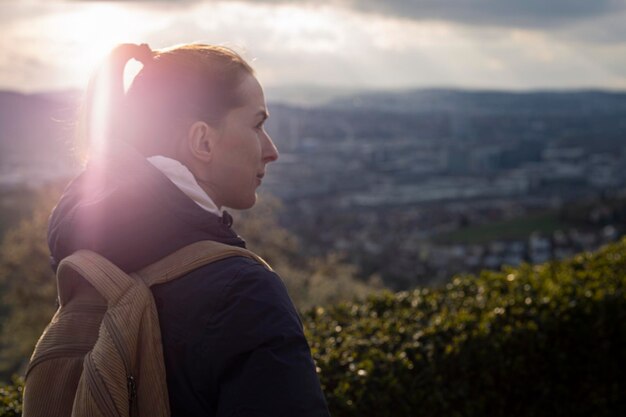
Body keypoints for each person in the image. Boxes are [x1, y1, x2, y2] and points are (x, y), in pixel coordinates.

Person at [46, 43, 331, 417]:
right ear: (202, 141)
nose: (271, 149)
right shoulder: (243, 293)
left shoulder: (90, 258)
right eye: (258, 125)